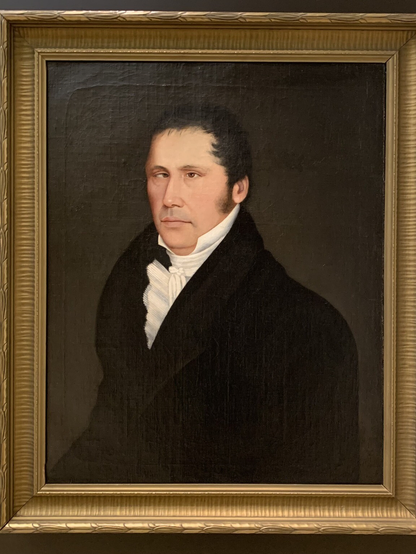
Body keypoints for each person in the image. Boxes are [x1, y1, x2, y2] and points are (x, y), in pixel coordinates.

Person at [48, 104, 360, 484]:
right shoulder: (126, 290)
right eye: (159, 175)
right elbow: (113, 436)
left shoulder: (309, 326)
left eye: (192, 175)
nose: (170, 197)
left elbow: (312, 494)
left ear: (238, 187)